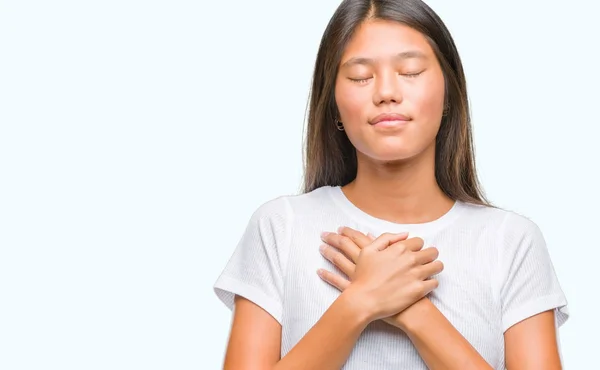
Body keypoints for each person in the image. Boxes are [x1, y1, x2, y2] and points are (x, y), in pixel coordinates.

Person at [213, 0, 569, 368]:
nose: (386, 92)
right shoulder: (280, 227)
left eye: (410, 71)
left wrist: (416, 312)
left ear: (449, 91)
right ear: (333, 102)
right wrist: (360, 302)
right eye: (360, 76)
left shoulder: (510, 241)